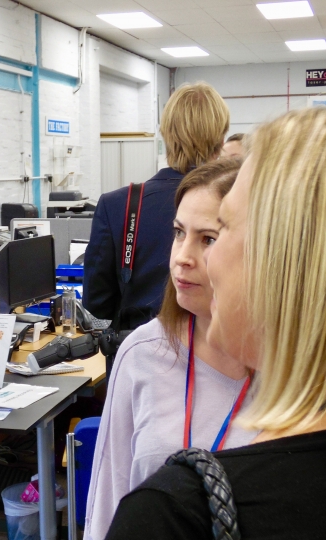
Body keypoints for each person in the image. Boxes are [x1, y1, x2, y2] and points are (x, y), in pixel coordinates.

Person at [105, 101, 326, 539]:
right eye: (181, 233)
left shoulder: (181, 514)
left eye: (221, 229)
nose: (198, 259)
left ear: (293, 266)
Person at [84, 159, 256, 540]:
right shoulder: (143, 353)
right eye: (179, 233)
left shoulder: (291, 370)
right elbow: (107, 504)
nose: (181, 256)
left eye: (207, 239)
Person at [84, 82, 229, 332]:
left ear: (165, 133)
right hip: (215, 350)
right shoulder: (234, 203)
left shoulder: (119, 204)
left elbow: (97, 304)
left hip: (136, 351)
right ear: (220, 136)